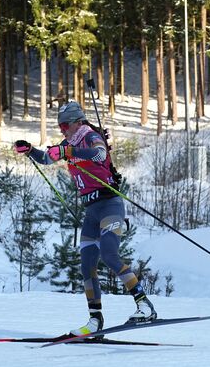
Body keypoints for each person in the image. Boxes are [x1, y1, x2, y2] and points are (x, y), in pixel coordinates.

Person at [13, 101, 157, 337]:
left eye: (65, 125)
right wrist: (29, 150)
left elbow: (100, 154)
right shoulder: (67, 143)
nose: (62, 130)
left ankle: (144, 305)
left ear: (77, 122)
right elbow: (47, 158)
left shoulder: (89, 137)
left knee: (110, 255)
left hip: (110, 204)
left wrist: (69, 152)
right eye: (60, 126)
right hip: (92, 211)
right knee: (87, 266)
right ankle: (95, 320)